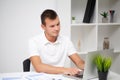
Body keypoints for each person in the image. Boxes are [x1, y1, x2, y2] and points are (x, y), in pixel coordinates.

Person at [29, 9, 85, 76]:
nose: (57, 28)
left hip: (60, 77)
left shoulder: (66, 40)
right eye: (52, 26)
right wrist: (66, 70)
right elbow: (38, 67)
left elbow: (79, 62)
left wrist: (89, 67)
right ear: (43, 27)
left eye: (58, 24)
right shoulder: (34, 41)